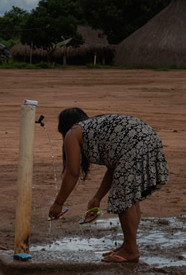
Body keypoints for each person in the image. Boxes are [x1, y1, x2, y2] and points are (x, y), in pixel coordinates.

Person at [48, 108, 170, 263]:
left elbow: (72, 173)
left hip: (137, 146)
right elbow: (114, 169)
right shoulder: (96, 127)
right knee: (130, 196)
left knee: (123, 198)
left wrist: (58, 203)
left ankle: (131, 250)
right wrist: (97, 197)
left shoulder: (73, 132)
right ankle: (128, 245)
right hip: (148, 139)